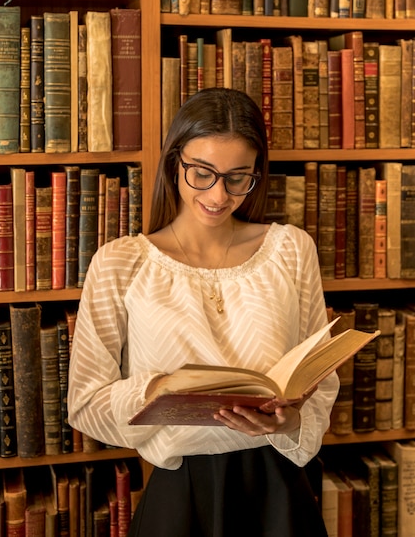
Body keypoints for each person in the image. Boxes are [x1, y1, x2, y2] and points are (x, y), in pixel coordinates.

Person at [68, 87, 339, 537]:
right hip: (180, 491)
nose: (219, 194)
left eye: (238, 177)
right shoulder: (120, 262)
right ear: (176, 161)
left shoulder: (290, 249)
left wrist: (293, 420)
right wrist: (159, 389)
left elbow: (320, 378)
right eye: (203, 173)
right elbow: (85, 405)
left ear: (256, 173)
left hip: (280, 489)